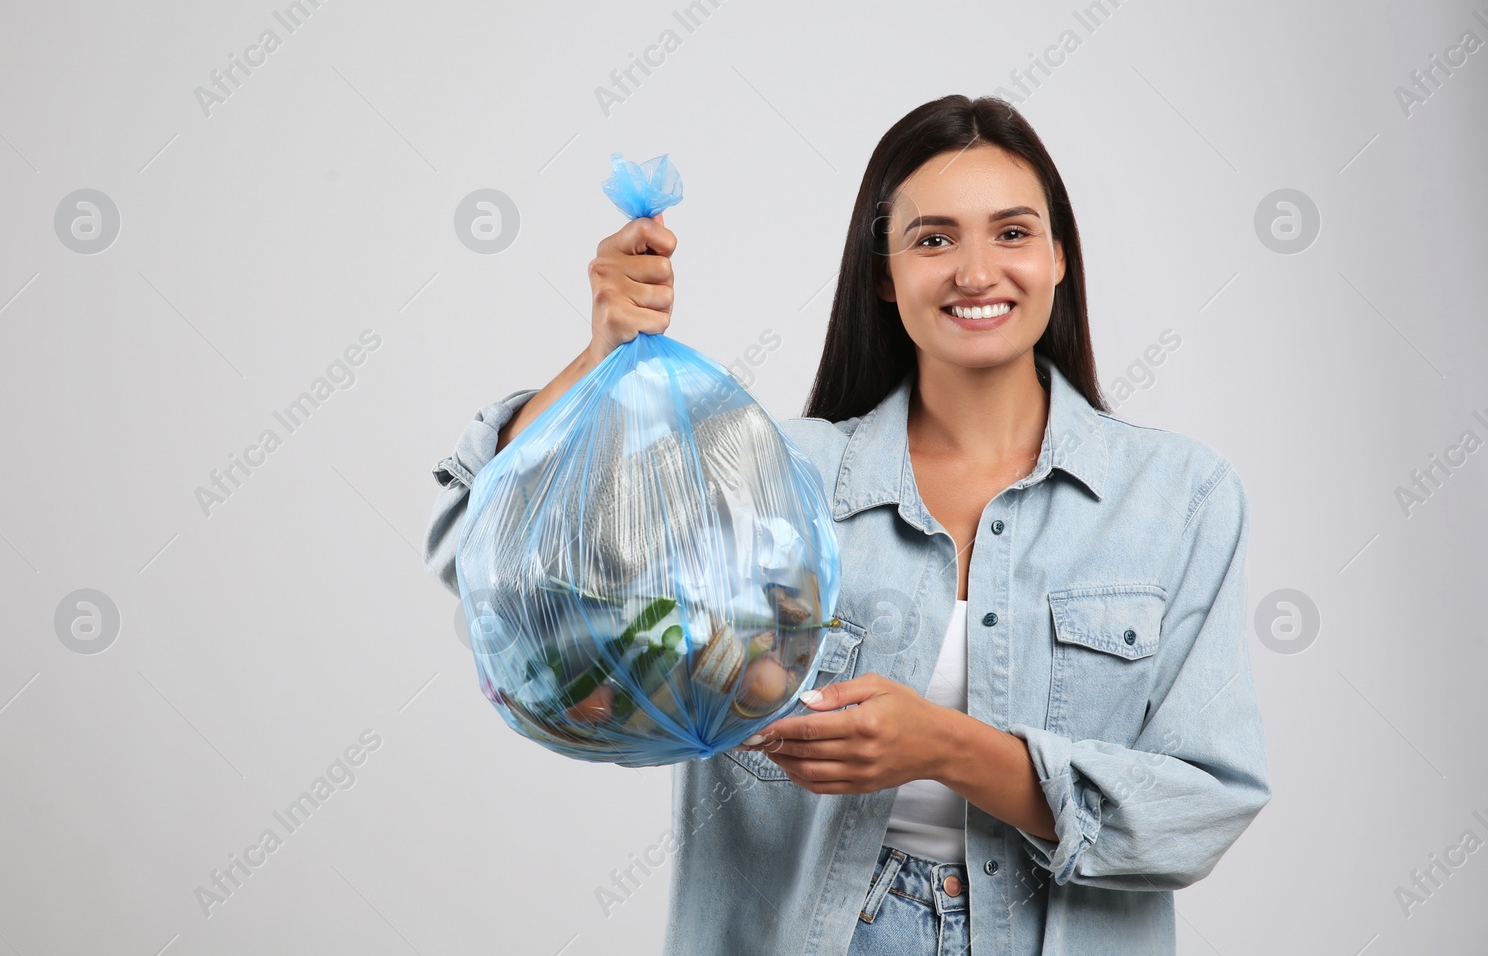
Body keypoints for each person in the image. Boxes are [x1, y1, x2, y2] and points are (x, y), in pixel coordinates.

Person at [425, 94, 1271, 956]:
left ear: (1059, 258)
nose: (976, 272)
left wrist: (944, 745)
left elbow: (1202, 807)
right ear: (883, 272)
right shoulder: (770, 474)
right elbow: (491, 568)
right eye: (933, 239)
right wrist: (598, 358)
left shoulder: (1180, 497)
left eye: (1012, 233)